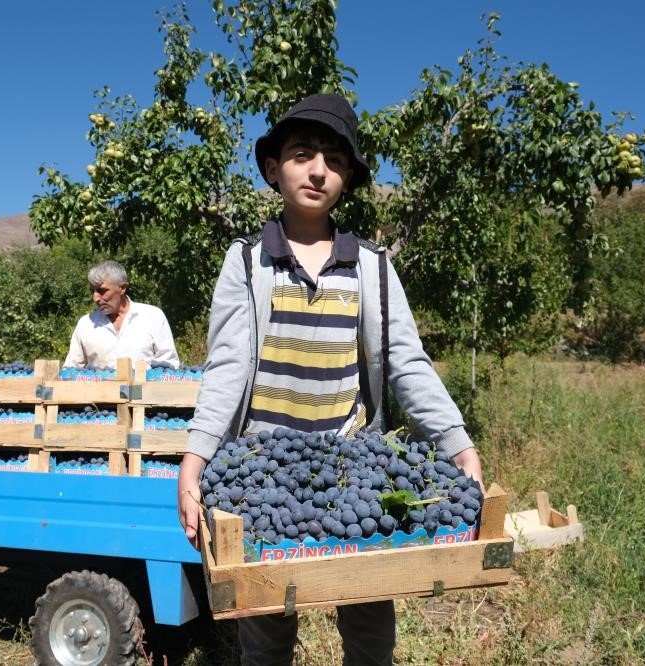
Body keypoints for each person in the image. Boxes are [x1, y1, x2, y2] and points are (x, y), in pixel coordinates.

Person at [177, 93, 484, 666]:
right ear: (274, 169)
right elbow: (227, 365)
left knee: (369, 628)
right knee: (265, 631)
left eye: (335, 161)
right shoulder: (246, 261)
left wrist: (455, 441)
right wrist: (195, 456)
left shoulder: (372, 265)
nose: (318, 170)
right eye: (302, 155)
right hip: (264, 476)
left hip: (352, 471)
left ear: (347, 179)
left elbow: (406, 361)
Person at [63, 260, 181, 369]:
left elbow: (168, 365)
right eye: (92, 291)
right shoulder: (86, 324)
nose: (95, 298)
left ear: (122, 288)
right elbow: (70, 370)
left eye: (102, 291)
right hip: (98, 386)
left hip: (145, 386)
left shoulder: (152, 317)